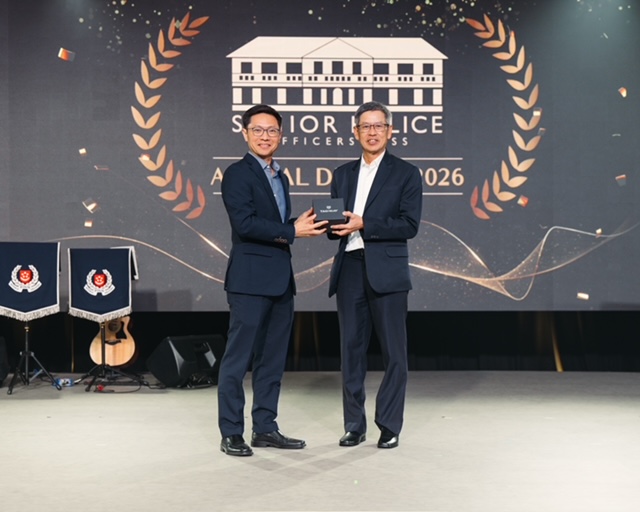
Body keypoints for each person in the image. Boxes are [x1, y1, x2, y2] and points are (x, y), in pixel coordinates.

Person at [218, 104, 327, 456]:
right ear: (245, 133)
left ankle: (265, 427)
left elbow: (275, 225)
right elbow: (245, 224)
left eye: (272, 131)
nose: (266, 136)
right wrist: (292, 231)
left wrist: (303, 223)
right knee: (237, 360)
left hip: (280, 281)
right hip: (249, 281)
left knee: (272, 361)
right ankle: (231, 432)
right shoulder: (237, 174)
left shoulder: (281, 176)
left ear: (281, 135)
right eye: (258, 130)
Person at [328, 101, 423, 449]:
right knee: (350, 351)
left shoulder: (406, 173)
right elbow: (336, 224)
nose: (372, 132)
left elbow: (409, 225)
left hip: (387, 270)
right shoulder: (342, 174)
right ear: (355, 132)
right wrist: (328, 224)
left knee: (394, 353)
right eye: (365, 126)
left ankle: (390, 424)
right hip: (350, 268)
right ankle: (354, 425)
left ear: (390, 131)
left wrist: (364, 223)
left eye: (378, 126)